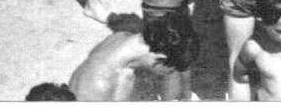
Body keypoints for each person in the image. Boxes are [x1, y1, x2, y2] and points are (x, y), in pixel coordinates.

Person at [65, 7, 199, 102]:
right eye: (170, 71)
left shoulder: (123, 37)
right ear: (160, 58)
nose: (169, 74)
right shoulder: (98, 87)